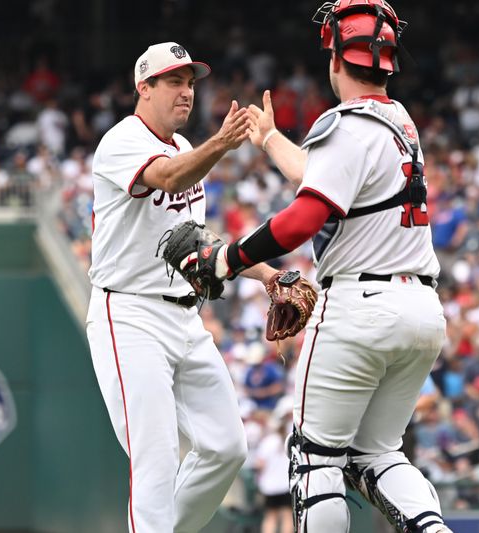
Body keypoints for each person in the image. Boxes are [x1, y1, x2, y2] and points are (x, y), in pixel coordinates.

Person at [170, 3, 452, 531]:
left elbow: (306, 216)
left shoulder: (346, 123)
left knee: (314, 456)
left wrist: (230, 259)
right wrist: (271, 139)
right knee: (377, 453)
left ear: (336, 59)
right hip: (421, 309)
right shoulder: (400, 122)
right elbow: (328, 182)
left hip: (360, 308)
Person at [85, 42, 280, 533]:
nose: (186, 92)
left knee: (226, 447)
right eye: (174, 81)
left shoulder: (188, 150)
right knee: (155, 455)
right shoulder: (122, 140)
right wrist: (222, 143)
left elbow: (198, 245)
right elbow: (166, 179)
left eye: (191, 82)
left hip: (183, 316)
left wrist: (265, 272)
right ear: (143, 87)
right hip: (128, 315)